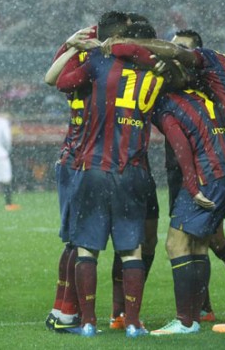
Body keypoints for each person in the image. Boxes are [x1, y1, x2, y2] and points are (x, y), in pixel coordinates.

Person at [106, 29, 225, 334]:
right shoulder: (203, 87)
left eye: (179, 52)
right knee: (211, 240)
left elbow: (182, 140)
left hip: (221, 164)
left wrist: (195, 185)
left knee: (202, 239)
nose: (171, 57)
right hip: (219, 163)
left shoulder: (189, 86)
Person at [54, 21, 162, 338]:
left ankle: (87, 323)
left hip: (94, 167)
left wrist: (78, 46)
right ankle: (132, 323)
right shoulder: (158, 72)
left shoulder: (100, 63)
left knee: (86, 248)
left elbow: (60, 81)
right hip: (133, 170)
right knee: (132, 250)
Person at [150, 82, 225, 336]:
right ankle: (196, 316)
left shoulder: (164, 104)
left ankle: (185, 321)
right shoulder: (198, 96)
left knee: (175, 244)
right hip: (223, 172)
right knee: (198, 245)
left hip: (205, 176)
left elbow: (181, 145)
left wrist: (192, 185)